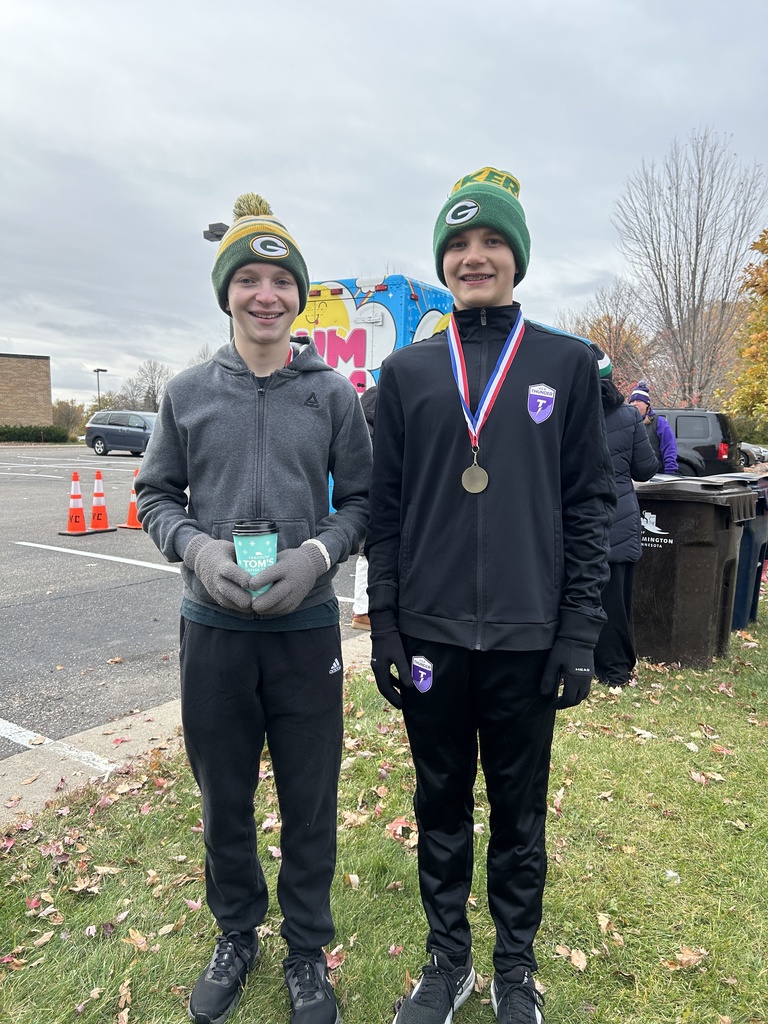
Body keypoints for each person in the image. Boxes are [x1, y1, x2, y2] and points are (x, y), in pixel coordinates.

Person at [365, 167, 616, 1024]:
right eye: (459, 244)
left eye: (491, 242)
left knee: (517, 815)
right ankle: (449, 962)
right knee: (439, 807)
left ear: (517, 257)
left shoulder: (565, 364)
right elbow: (385, 512)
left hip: (526, 638)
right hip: (430, 639)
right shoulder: (406, 373)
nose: (474, 257)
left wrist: (579, 631)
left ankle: (514, 967)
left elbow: (589, 505)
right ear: (443, 260)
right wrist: (385, 623)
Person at [135, 192, 371, 1024]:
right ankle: (237, 932)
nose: (265, 295)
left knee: (309, 800)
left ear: (299, 295)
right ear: (226, 292)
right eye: (248, 280)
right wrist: (199, 552)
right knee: (223, 798)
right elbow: (156, 495)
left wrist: (317, 557)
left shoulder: (332, 395)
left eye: (280, 281)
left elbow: (364, 502)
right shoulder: (188, 393)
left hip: (306, 633)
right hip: (215, 632)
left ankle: (307, 949)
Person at [592, 348, 658, 686]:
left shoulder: (566, 413)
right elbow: (645, 469)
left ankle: (576, 665)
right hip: (618, 518)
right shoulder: (629, 416)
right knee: (616, 600)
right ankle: (615, 670)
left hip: (575, 519)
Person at [351, 384, 378, 630]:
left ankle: (363, 609)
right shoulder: (377, 429)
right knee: (368, 555)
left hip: (365, 495)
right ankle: (362, 611)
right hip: (376, 497)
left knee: (366, 553)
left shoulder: (362, 424)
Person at [629, 380, 678, 474]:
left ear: (647, 404)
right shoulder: (626, 423)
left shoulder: (659, 422)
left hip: (656, 473)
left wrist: (670, 470)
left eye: (639, 401)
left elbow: (669, 447)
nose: (635, 403)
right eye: (632, 401)